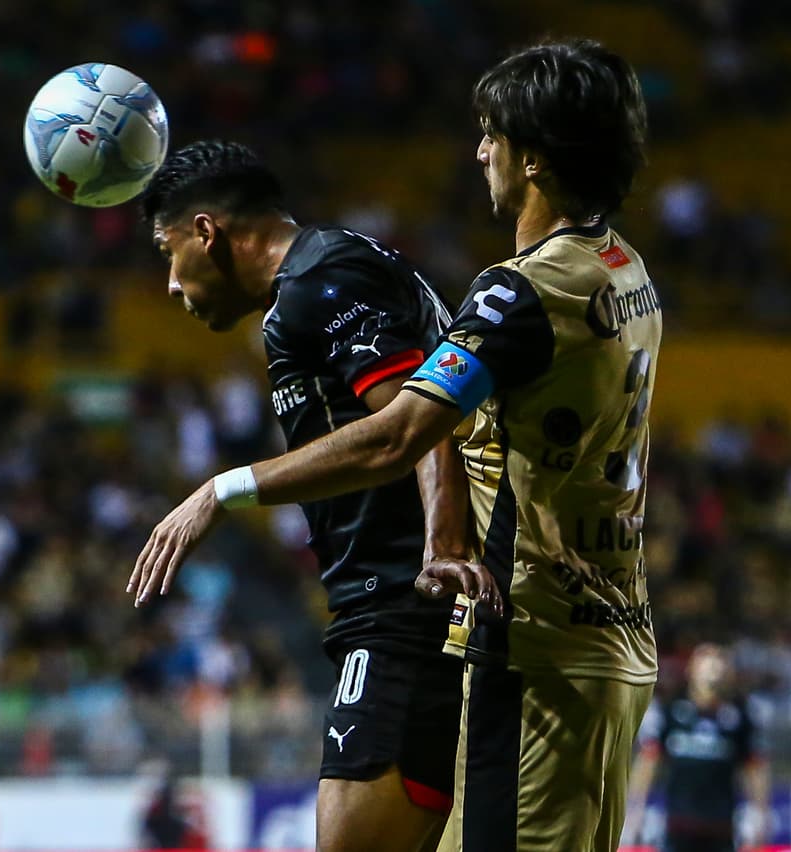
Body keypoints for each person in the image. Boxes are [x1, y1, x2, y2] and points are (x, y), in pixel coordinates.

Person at [129, 40, 657, 852]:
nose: (478, 152)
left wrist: (224, 490)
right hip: (604, 627)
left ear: (535, 158)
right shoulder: (627, 272)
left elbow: (411, 429)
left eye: (492, 134)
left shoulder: (516, 291)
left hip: (524, 640)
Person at [134, 138, 498, 852]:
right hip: (391, 607)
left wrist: (443, 547)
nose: (171, 284)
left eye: (166, 252)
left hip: (404, 611)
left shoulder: (324, 279)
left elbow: (418, 423)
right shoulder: (314, 283)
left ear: (206, 232)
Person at [625, 644, 772, 852]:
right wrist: (635, 808)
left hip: (721, 826)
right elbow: (648, 760)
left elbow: (755, 767)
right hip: (678, 823)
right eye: (707, 666)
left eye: (718, 668)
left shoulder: (740, 715)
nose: (713, 673)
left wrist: (760, 812)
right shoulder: (671, 710)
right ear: (691, 670)